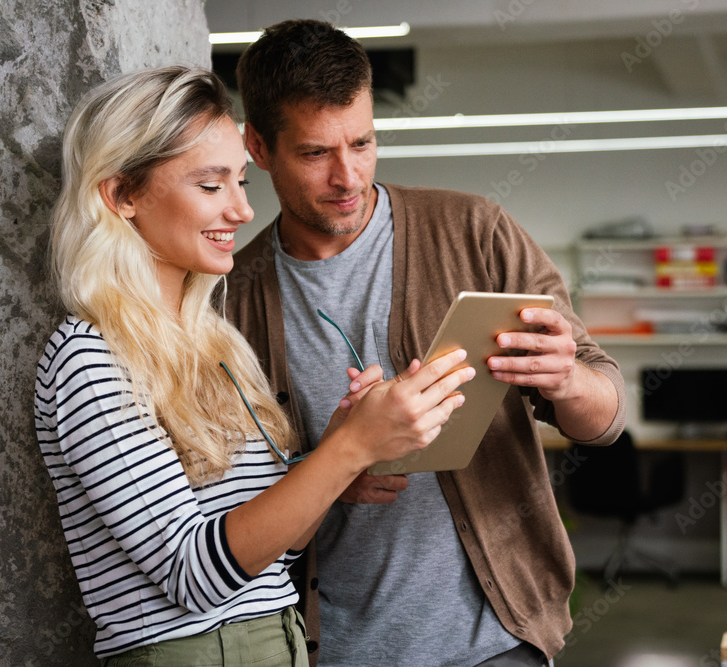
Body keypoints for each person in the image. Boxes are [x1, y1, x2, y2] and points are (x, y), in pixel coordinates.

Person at [34, 65, 472, 666]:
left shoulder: (218, 346)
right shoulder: (88, 357)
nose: (242, 211)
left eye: (241, 182)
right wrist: (345, 454)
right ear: (122, 196)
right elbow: (194, 577)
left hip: (279, 644)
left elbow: (275, 553)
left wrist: (344, 450)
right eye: (212, 187)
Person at [226, 20, 627, 667]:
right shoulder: (231, 301)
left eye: (362, 142)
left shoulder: (475, 231)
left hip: (497, 642)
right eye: (314, 152)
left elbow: (606, 418)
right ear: (258, 146)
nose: (347, 174)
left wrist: (568, 379)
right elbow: (230, 513)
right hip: (337, 648)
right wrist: (331, 471)